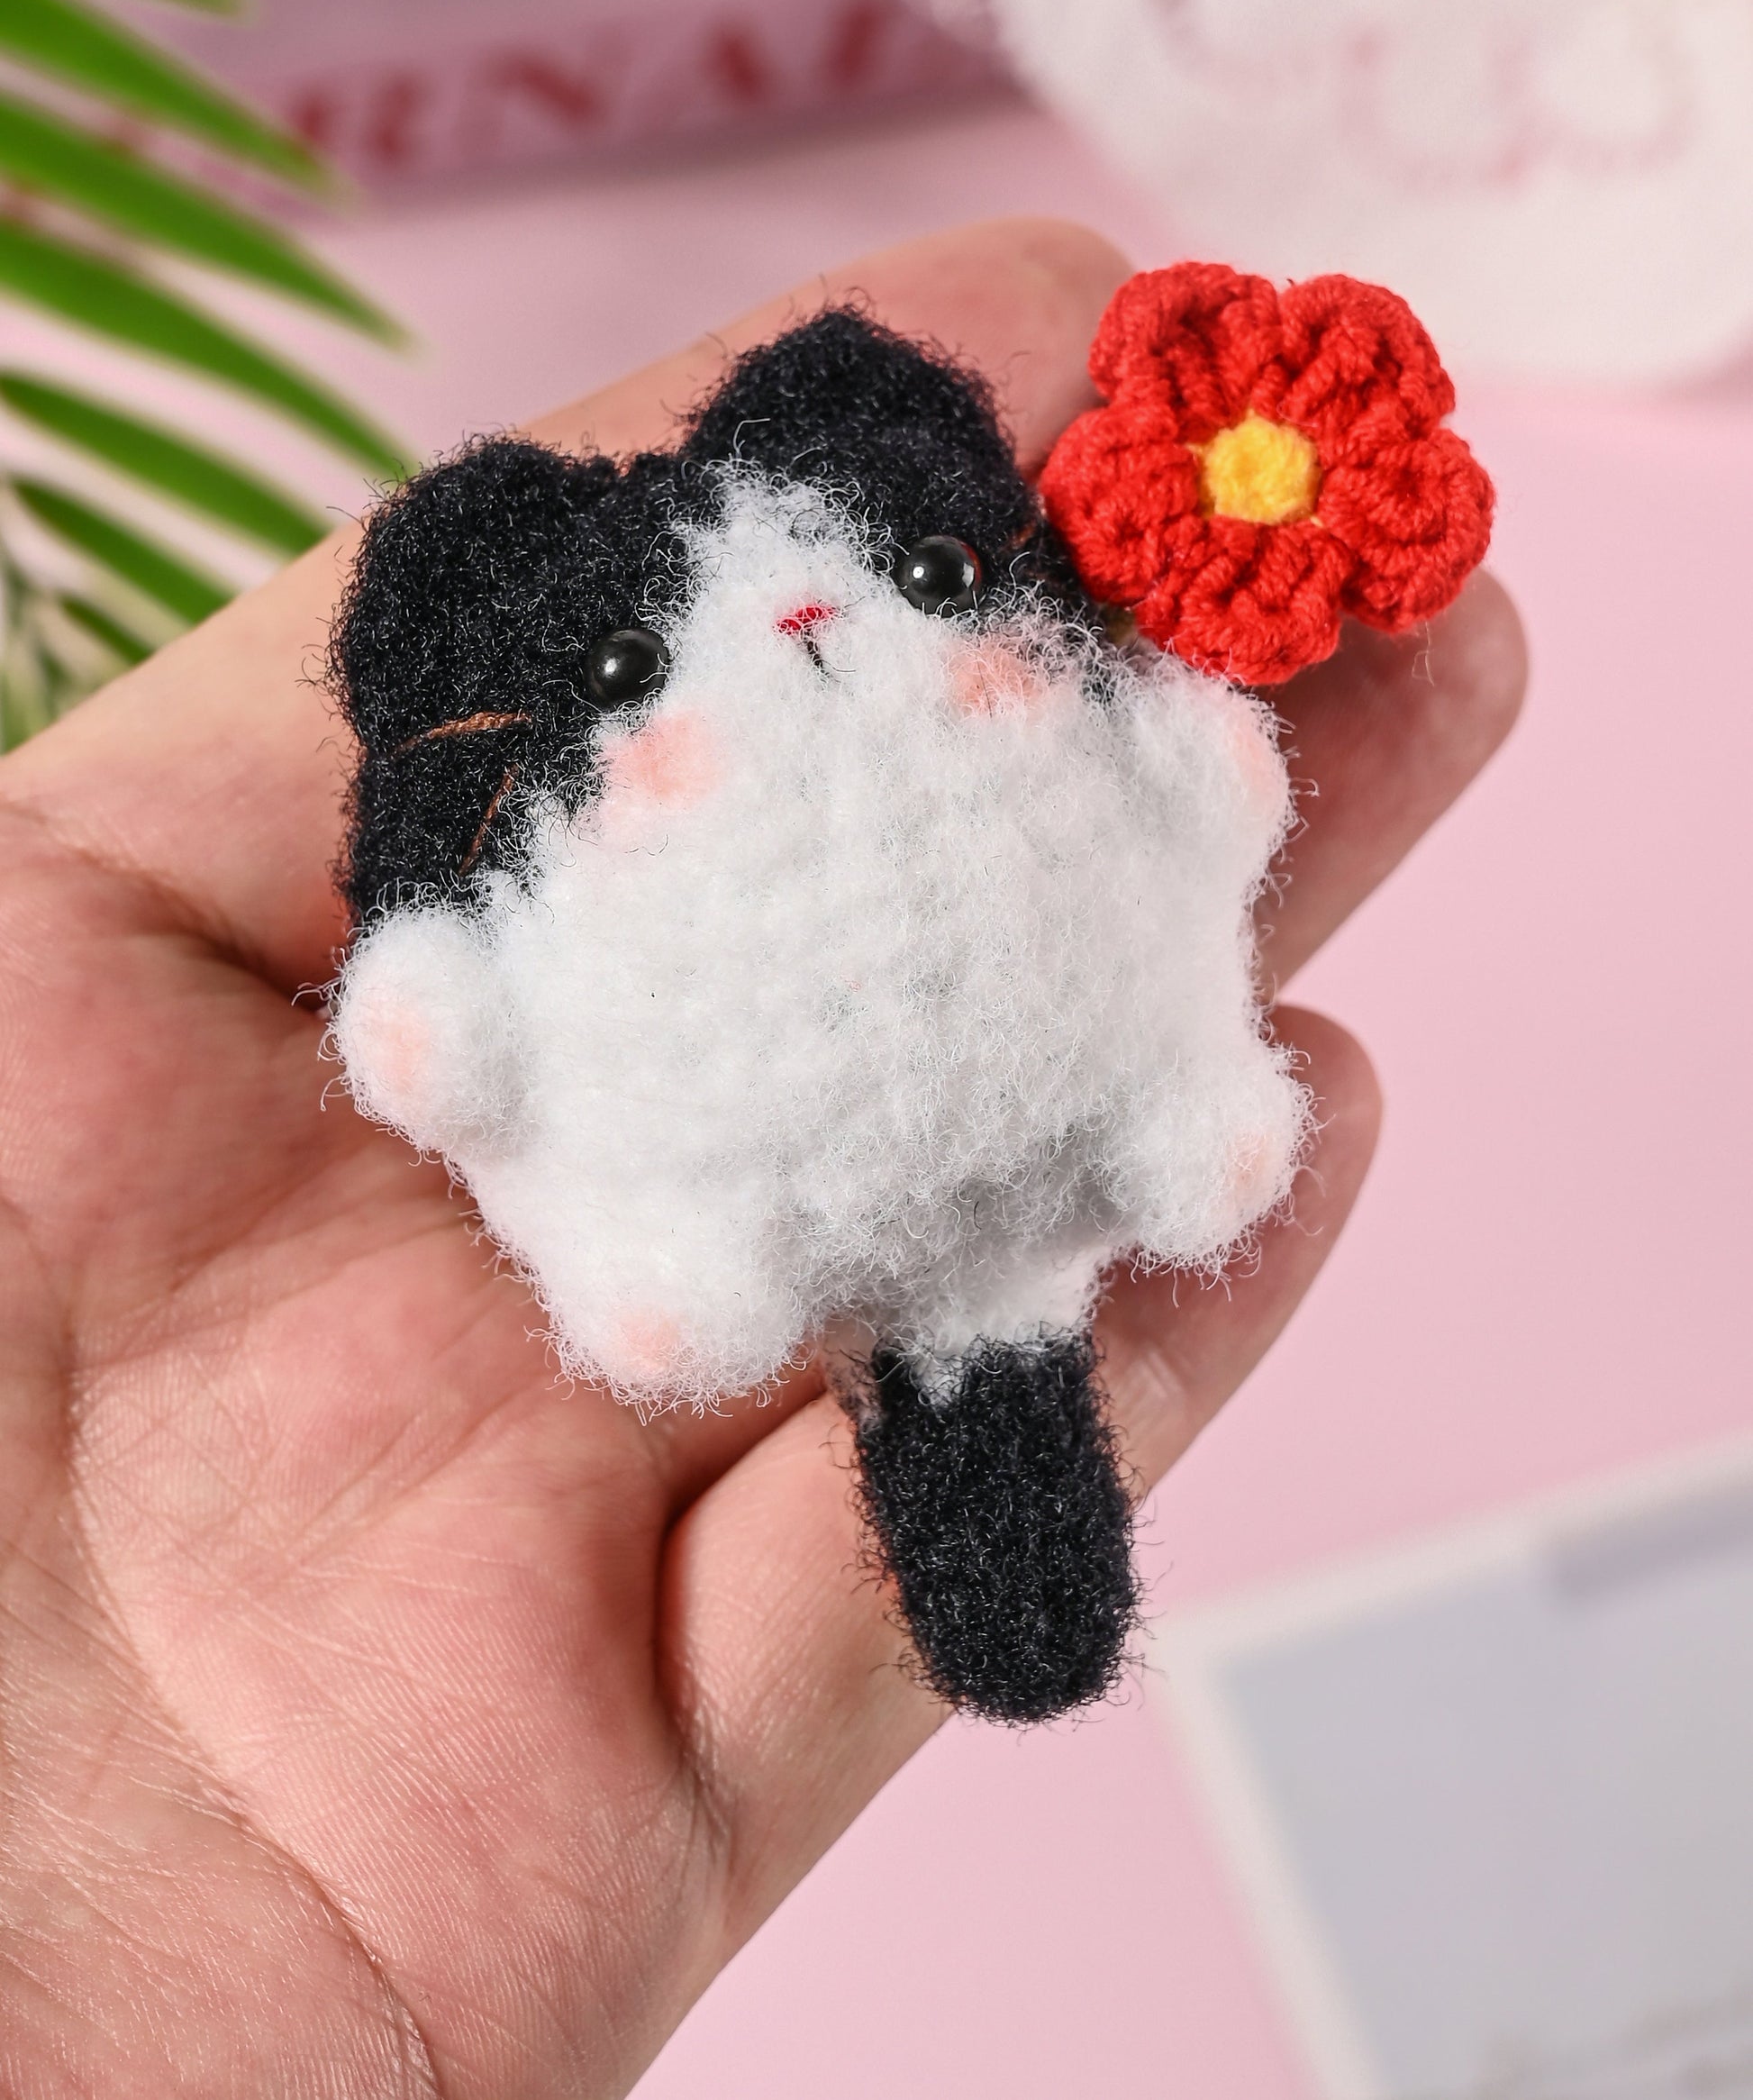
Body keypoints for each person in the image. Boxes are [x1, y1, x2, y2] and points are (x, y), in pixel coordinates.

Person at [0, 217, 1524, 2096]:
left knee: (1088, 1227)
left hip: (1075, 1130)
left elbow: (1200, 787)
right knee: (778, 1315)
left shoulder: (1047, 696)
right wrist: (433, 1016)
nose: (806, 626)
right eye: (632, 658)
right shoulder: (513, 858)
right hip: (734, 1213)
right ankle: (758, 1252)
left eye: (920, 574)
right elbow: (434, 1014)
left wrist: (1192, 798)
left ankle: (1156, 1128)